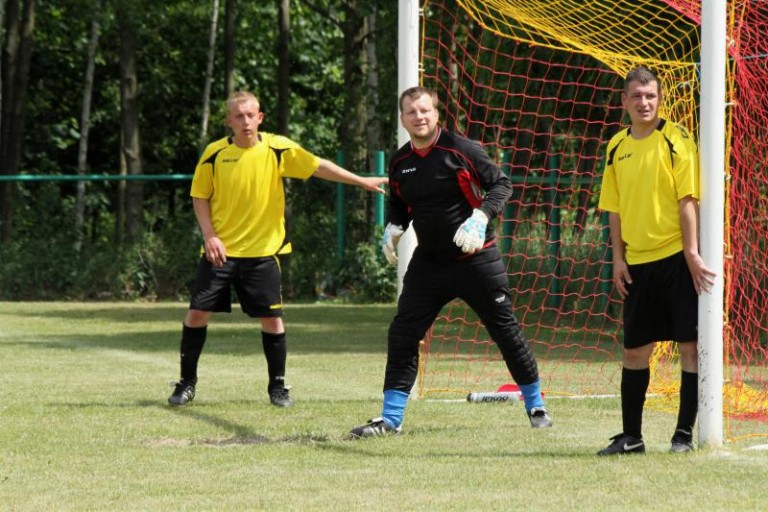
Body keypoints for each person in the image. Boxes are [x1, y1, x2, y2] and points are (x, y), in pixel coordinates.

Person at [349, 86, 552, 438]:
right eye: (412, 112)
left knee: (505, 332)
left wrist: (481, 217)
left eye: (425, 110)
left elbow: (501, 186)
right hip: (429, 264)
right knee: (402, 333)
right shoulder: (400, 163)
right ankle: (390, 419)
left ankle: (536, 406)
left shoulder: (463, 150)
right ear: (403, 118)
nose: (419, 117)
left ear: (437, 114)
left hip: (477, 259)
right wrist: (395, 226)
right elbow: (399, 200)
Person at [168, 91, 388, 408]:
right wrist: (209, 235)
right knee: (196, 314)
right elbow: (200, 195)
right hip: (221, 252)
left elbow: (318, 166)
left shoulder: (277, 148)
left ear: (260, 118)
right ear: (229, 121)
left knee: (272, 320)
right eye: (238, 116)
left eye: (250, 115)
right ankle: (186, 384)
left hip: (262, 253)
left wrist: (362, 182)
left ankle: (278, 387)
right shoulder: (214, 154)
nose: (245, 121)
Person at [596, 66, 716, 455]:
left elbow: (688, 201)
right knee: (635, 351)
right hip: (637, 263)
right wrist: (618, 258)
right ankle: (632, 437)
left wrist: (692, 253)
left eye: (650, 96)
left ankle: (682, 435)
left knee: (689, 346)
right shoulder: (616, 146)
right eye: (637, 96)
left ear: (659, 100)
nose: (644, 103)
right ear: (624, 102)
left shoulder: (676, 139)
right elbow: (613, 209)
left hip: (676, 260)